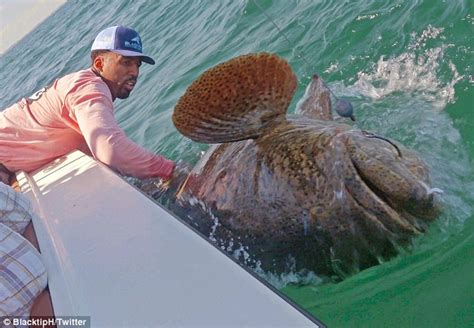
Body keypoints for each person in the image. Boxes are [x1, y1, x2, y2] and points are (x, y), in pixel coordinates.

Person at [0, 26, 175, 184]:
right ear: (99, 63)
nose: (134, 72)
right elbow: (110, 149)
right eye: (126, 62)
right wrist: (169, 170)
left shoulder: (81, 85)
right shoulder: (89, 88)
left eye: (137, 64)